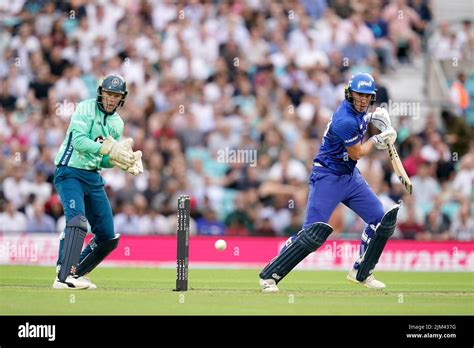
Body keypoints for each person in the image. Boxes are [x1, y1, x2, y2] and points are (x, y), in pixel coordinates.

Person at [259, 72, 399, 292]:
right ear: (350, 94)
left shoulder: (358, 112)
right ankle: (269, 276)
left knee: (380, 220)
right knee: (313, 234)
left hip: (349, 176)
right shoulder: (346, 120)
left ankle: (362, 273)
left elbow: (361, 122)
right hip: (328, 177)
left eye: (367, 96)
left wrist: (372, 118)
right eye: (358, 95)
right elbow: (357, 153)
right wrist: (377, 139)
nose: (363, 100)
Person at [52, 74, 143, 290]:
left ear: (122, 98)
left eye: (116, 96)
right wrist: (108, 149)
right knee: (77, 221)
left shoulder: (117, 123)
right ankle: (63, 276)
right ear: (101, 92)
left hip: (93, 177)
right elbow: (80, 141)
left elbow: (101, 159)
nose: (111, 99)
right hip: (70, 171)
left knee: (108, 236)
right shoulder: (85, 108)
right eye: (108, 94)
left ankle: (74, 274)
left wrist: (119, 161)